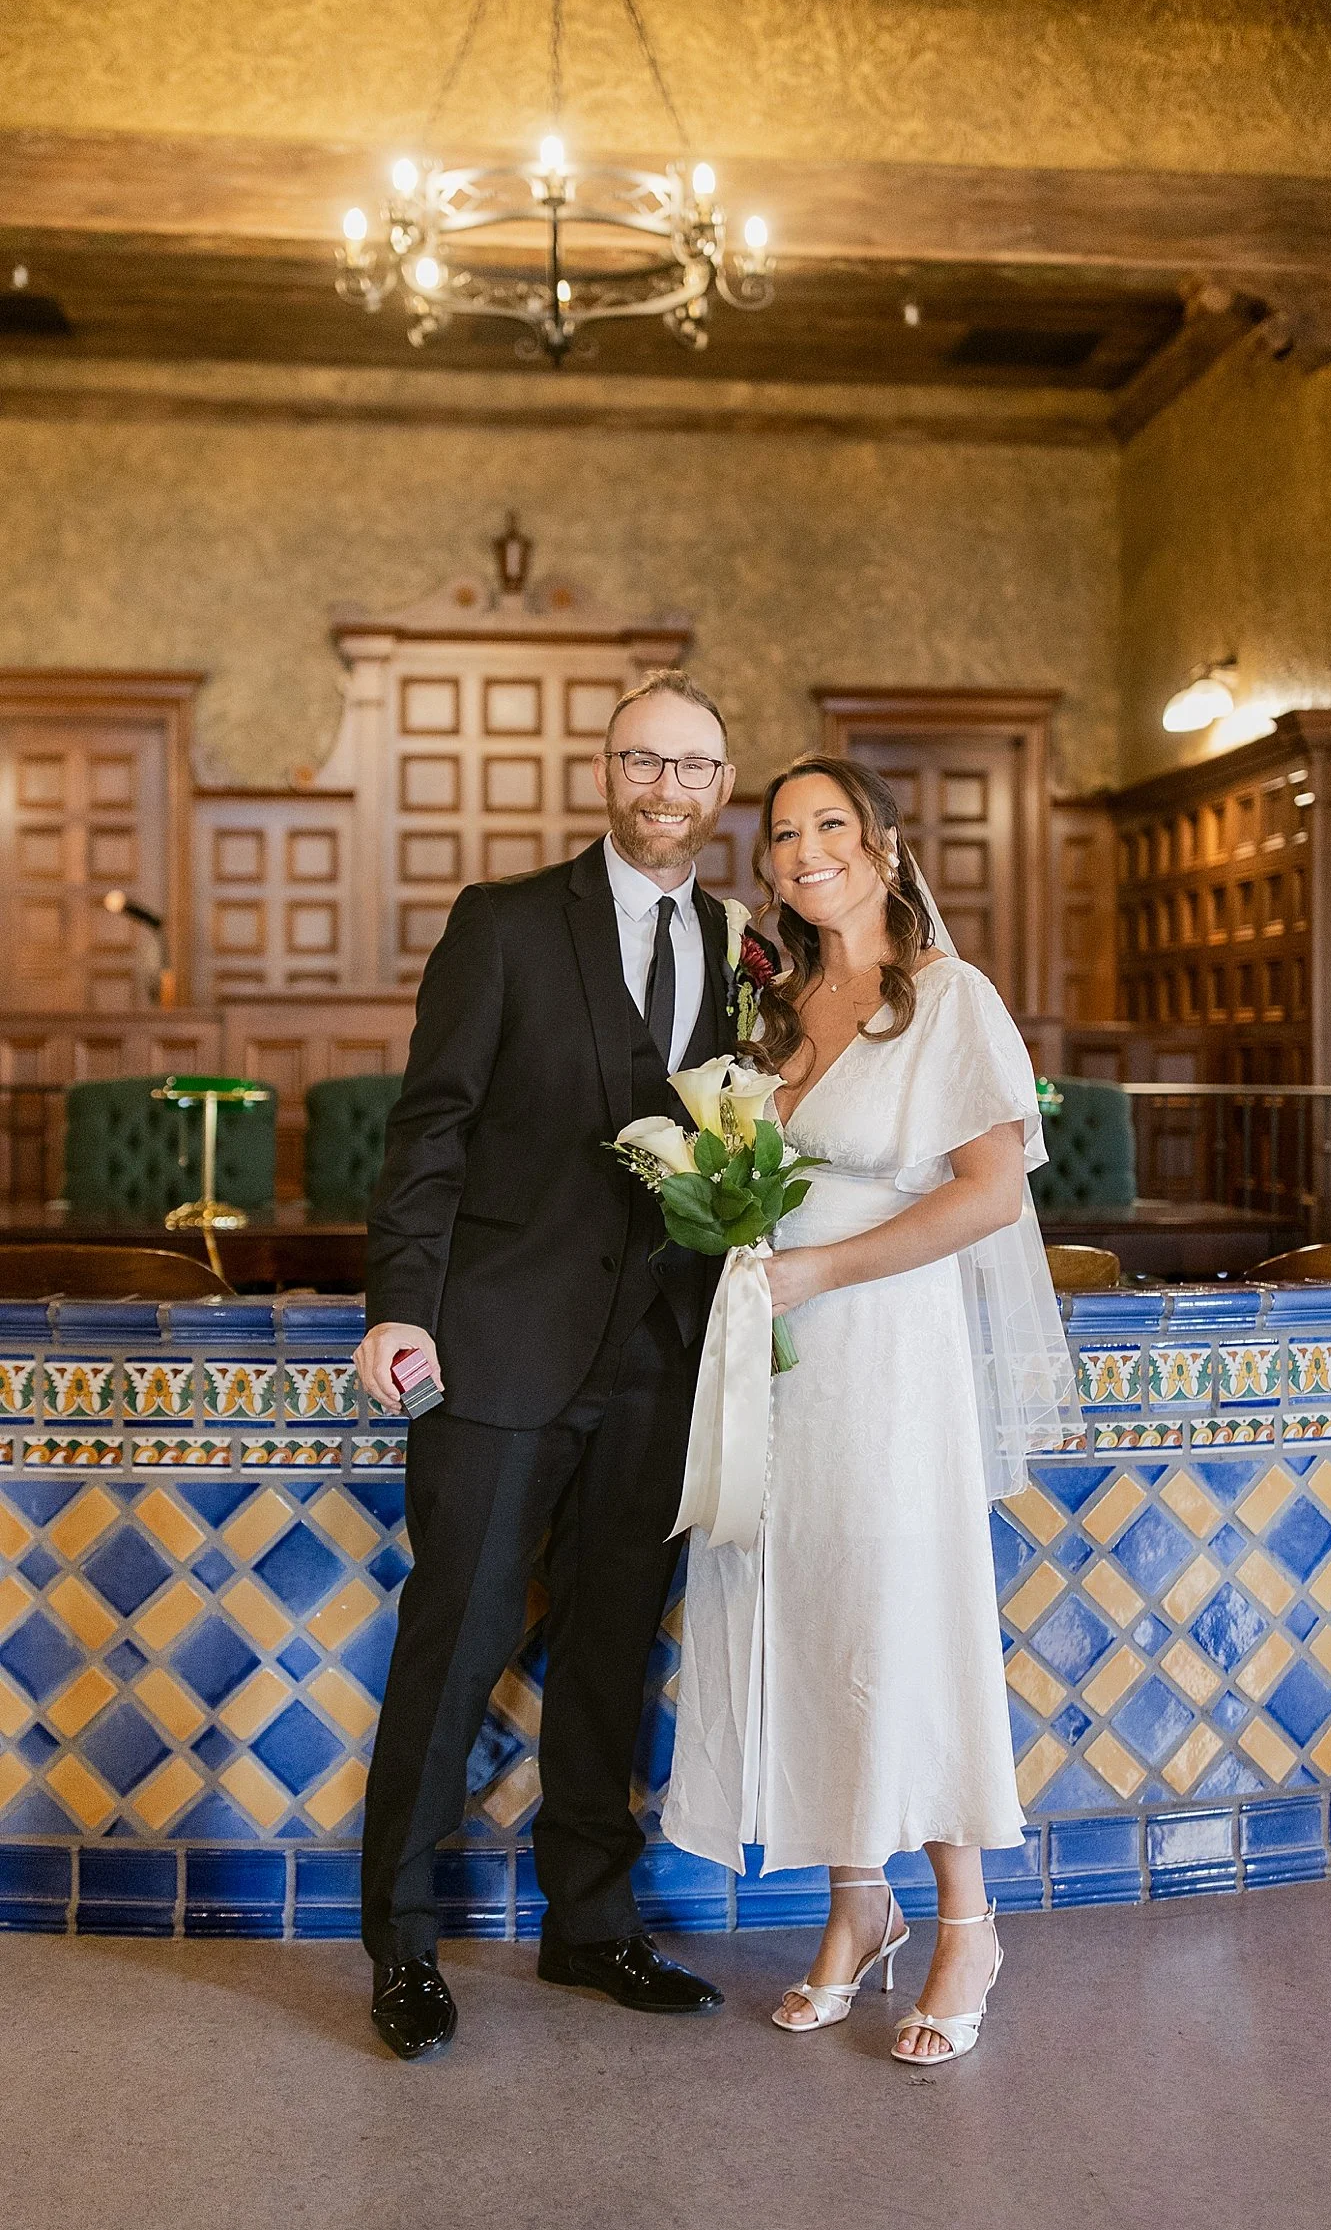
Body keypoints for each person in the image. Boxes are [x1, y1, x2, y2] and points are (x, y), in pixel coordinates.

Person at [354, 667, 748, 2059]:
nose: (666, 788)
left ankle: (590, 1925)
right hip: (501, 1346)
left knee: (607, 1656)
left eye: (693, 767)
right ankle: (400, 1949)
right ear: (606, 773)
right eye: (643, 762)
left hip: (664, 1362)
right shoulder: (507, 924)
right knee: (454, 1645)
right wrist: (401, 1305)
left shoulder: (744, 945)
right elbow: (432, 1131)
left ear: (722, 787)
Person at [662, 752, 1077, 2066]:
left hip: (887, 1349)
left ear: (886, 845)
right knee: (795, 1609)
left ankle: (968, 1920)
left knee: (901, 1614)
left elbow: (989, 1195)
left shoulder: (950, 1001)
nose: (803, 852)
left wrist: (818, 1269)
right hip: (780, 1356)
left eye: (829, 826)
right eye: (782, 835)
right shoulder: (777, 1009)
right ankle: (857, 1907)